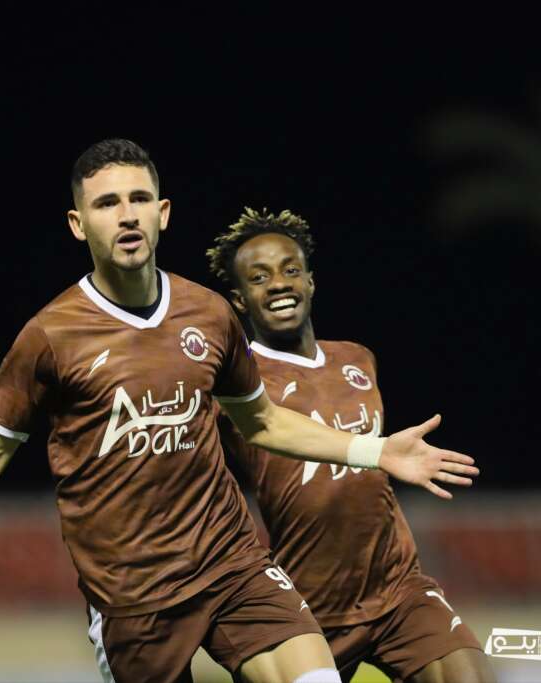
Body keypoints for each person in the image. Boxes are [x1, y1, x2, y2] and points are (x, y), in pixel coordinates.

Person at [0, 140, 478, 683]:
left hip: (231, 565)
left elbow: (264, 422)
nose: (127, 214)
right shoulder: (50, 336)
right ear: (78, 225)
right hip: (133, 598)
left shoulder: (209, 314)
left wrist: (377, 450)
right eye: (107, 203)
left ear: (163, 213)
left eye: (139, 198)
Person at [207, 208, 495, 683]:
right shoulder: (235, 385)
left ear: (311, 282)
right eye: (260, 278)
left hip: (397, 589)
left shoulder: (357, 359)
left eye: (290, 270)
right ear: (239, 299)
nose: (279, 284)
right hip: (306, 607)